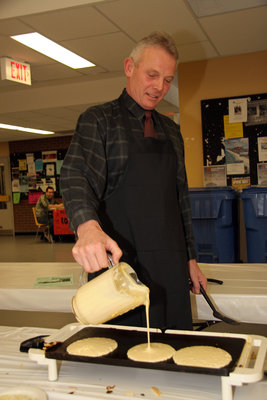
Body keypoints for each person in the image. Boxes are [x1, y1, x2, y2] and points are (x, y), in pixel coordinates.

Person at [60, 31, 207, 330]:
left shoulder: (170, 130)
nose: (160, 87)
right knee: (121, 357)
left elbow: (180, 200)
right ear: (129, 67)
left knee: (175, 351)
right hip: (119, 270)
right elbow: (77, 175)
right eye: (152, 75)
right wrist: (86, 227)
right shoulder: (99, 120)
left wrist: (190, 258)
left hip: (170, 267)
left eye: (167, 79)